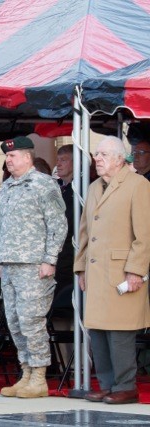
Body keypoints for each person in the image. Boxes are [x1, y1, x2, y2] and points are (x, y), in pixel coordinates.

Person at [75, 136, 150, 405]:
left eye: (104, 154)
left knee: (120, 333)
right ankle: (107, 385)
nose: (97, 158)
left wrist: (136, 271)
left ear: (120, 159)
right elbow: (85, 232)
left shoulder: (138, 185)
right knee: (98, 332)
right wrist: (81, 268)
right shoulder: (95, 186)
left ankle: (126, 386)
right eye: (97, 154)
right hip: (97, 272)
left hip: (122, 273)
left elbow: (145, 235)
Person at [0, 136, 67, 398]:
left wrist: (50, 259)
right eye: (6, 156)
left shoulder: (44, 184)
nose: (8, 160)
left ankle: (38, 376)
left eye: (12, 156)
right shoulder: (6, 187)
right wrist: (2, 260)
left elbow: (57, 224)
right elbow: (3, 226)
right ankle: (25, 372)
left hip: (34, 265)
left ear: (27, 157)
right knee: (15, 322)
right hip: (10, 264)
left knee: (32, 321)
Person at [55, 145, 75, 292]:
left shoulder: (83, 188)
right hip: (57, 254)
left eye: (63, 160)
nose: (58, 164)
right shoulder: (56, 187)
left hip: (70, 253)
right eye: (58, 160)